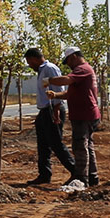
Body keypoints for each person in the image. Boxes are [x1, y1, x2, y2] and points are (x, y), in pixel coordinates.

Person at [44, 47, 101, 189]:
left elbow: (66, 80)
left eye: (68, 60)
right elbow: (71, 93)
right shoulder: (84, 71)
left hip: (84, 115)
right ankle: (92, 176)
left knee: (80, 146)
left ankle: (81, 178)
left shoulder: (82, 69)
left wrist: (48, 80)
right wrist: (56, 95)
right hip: (86, 114)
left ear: (74, 57)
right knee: (87, 146)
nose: (68, 64)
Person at [23, 47, 78, 187]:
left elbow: (59, 90)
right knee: (42, 144)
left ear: (34, 58)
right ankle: (44, 175)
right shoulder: (42, 70)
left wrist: (56, 110)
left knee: (56, 143)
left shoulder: (50, 68)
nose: (29, 65)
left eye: (29, 62)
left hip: (52, 109)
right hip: (44, 111)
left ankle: (76, 172)